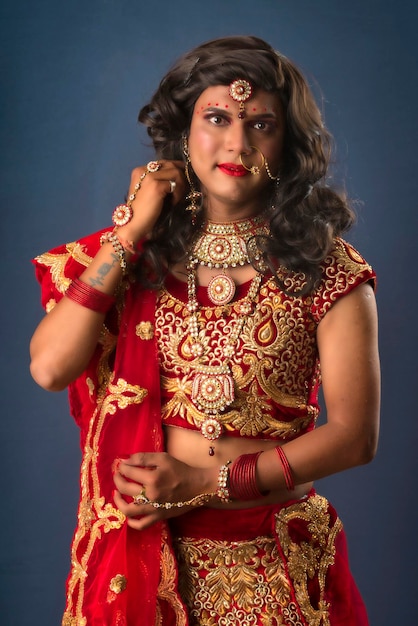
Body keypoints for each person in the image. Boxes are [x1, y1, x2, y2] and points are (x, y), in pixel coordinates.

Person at [30, 35, 380, 626]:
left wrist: (204, 481)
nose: (237, 143)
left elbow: (354, 436)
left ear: (286, 142)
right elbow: (49, 367)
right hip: (147, 557)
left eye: (261, 124)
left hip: (272, 562)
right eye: (216, 118)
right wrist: (133, 228)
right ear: (181, 131)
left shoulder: (329, 269)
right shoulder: (136, 259)